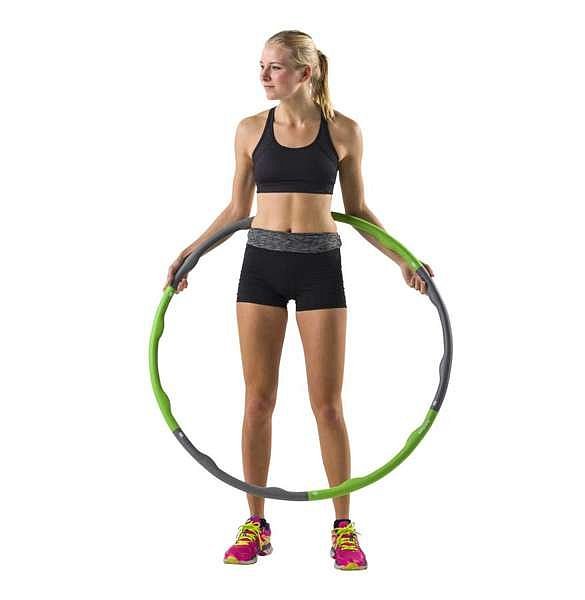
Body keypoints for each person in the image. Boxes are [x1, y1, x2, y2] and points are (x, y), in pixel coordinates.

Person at [163, 30, 434, 571]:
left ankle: (343, 528)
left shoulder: (343, 131)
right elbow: (236, 209)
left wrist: (403, 259)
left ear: (305, 73)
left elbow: (358, 211)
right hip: (260, 267)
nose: (264, 76)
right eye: (261, 66)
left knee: (327, 405)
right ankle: (256, 523)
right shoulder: (249, 130)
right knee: (257, 401)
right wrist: (191, 252)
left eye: (276, 67)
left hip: (319, 270)